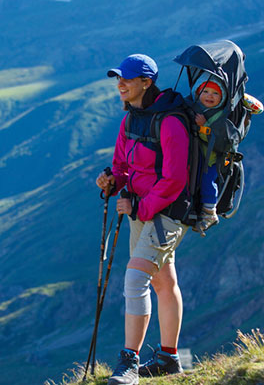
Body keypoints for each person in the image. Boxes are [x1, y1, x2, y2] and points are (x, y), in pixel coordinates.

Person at [95, 54, 190, 384]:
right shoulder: (130, 119)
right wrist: (112, 179)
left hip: (166, 216)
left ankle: (129, 364)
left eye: (127, 79)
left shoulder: (171, 122)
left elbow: (176, 180)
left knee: (136, 280)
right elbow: (122, 163)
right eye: (118, 79)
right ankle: (169, 359)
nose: (119, 84)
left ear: (146, 82)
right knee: (164, 282)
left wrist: (140, 208)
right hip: (140, 211)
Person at [193, 77, 226, 230]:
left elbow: (217, 138)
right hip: (201, 157)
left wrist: (203, 126)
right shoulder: (197, 109)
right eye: (205, 91)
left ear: (222, 98)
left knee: (207, 182)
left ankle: (210, 211)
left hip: (212, 160)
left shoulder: (219, 116)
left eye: (215, 93)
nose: (209, 96)